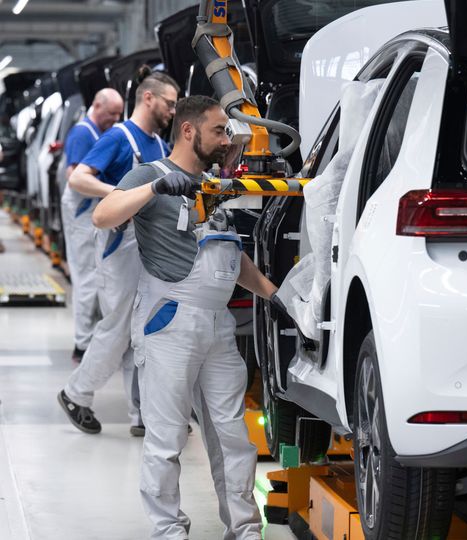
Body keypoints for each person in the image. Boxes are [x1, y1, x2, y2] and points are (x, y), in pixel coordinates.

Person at [93, 95, 275, 539]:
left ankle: (245, 528)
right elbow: (102, 215)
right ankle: (168, 530)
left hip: (217, 326)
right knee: (166, 437)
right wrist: (155, 189)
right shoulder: (150, 174)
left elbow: (228, 255)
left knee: (233, 437)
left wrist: (274, 295)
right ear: (189, 130)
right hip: (168, 322)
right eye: (219, 131)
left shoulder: (215, 185)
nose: (226, 140)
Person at [58, 70, 179, 437]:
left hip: (149, 246)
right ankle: (75, 393)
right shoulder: (119, 137)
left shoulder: (159, 145)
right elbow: (78, 178)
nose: (173, 111)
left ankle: (141, 413)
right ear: (148, 98)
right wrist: (119, 194)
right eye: (169, 103)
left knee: (144, 328)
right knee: (118, 328)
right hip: (120, 245)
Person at [59, 87, 125, 363]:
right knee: (86, 277)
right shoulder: (82, 133)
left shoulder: (97, 132)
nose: (116, 119)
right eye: (112, 113)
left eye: (119, 114)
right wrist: (114, 192)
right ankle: (82, 345)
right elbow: (73, 175)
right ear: (97, 106)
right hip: (81, 212)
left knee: (94, 277)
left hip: (89, 212)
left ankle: (92, 340)